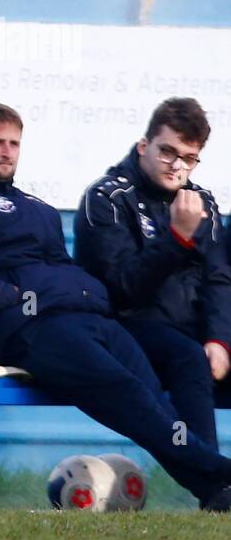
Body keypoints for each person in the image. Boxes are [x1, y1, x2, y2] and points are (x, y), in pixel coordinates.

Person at [0, 102, 231, 511]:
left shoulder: (38, 209)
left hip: (87, 317)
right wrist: (14, 296)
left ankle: (216, 492)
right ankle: (220, 472)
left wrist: (89, 297)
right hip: (29, 327)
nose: (7, 151)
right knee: (126, 391)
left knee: (150, 401)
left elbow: (65, 270)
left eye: (14, 143)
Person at [74, 97, 231, 470]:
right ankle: (214, 483)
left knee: (199, 351)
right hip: (131, 327)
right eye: (167, 152)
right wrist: (177, 237)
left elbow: (218, 279)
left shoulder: (202, 200)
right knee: (188, 356)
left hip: (195, 332)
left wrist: (220, 340)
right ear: (144, 146)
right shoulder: (107, 198)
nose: (177, 166)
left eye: (189, 158)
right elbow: (122, 287)